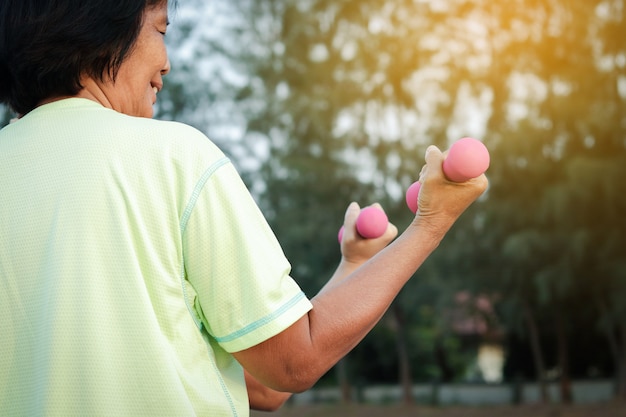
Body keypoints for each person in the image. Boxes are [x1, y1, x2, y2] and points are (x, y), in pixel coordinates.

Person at [0, 0, 488, 416]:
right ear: (98, 28)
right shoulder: (173, 157)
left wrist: (354, 265)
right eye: (159, 29)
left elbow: (264, 384)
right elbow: (294, 362)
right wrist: (430, 222)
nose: (166, 63)